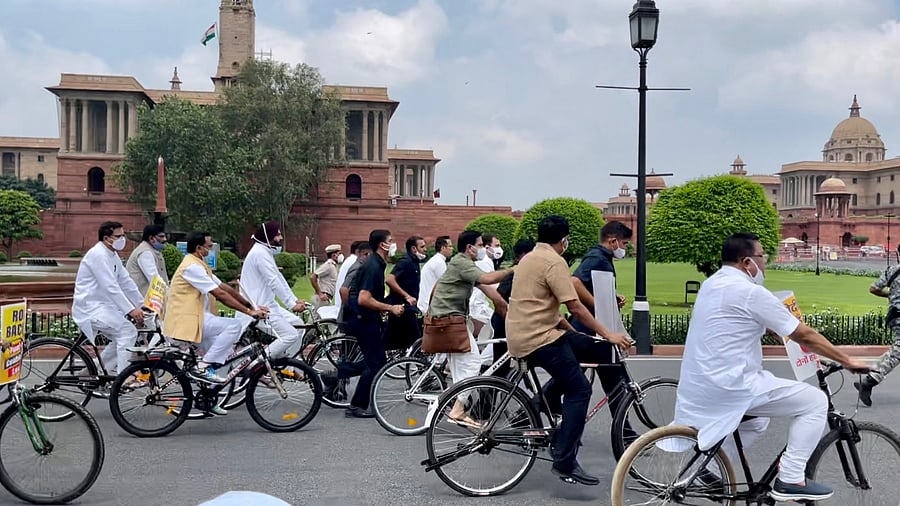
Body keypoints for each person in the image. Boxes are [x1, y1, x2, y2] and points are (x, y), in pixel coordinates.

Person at [674, 233, 869, 502]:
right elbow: (805, 335)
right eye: (761, 257)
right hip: (734, 384)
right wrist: (847, 360)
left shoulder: (712, 284)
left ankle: (708, 469)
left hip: (703, 384)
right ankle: (791, 478)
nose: (764, 263)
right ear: (746, 262)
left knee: (758, 420)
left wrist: (771, 329)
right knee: (814, 401)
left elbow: (735, 322)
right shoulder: (751, 292)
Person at [506, 215, 631, 486]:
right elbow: (574, 306)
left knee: (593, 350)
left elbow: (547, 307)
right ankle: (564, 459)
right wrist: (609, 334)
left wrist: (584, 337)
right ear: (563, 240)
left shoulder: (529, 258)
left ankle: (545, 404)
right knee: (579, 390)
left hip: (530, 332)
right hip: (539, 338)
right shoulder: (554, 262)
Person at [165, 232, 268, 391]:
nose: (211, 248)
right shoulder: (192, 267)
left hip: (198, 318)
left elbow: (224, 288)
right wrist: (249, 312)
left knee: (224, 357)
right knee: (233, 326)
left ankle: (209, 398)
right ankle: (202, 367)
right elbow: (219, 295)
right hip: (188, 320)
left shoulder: (199, 264)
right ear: (199, 248)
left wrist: (252, 306)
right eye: (209, 246)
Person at [429, 231, 513, 424]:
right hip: (451, 321)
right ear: (469, 247)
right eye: (481, 245)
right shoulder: (462, 263)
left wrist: (502, 306)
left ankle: (448, 406)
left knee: (461, 371)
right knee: (474, 363)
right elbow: (488, 279)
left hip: (451, 319)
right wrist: (513, 269)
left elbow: (488, 290)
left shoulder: (462, 265)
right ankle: (457, 411)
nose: (483, 249)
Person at [343, 230, 404, 418]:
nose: (393, 244)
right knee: (375, 362)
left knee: (376, 360)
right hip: (364, 319)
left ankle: (337, 373)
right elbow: (364, 298)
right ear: (382, 245)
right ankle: (356, 405)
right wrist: (390, 308)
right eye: (390, 241)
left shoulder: (377, 263)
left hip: (367, 319)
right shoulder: (373, 265)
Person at [72, 221, 145, 375]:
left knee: (123, 335)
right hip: (91, 307)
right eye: (118, 236)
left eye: (123, 235)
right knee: (127, 332)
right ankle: (123, 377)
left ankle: (97, 371)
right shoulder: (98, 254)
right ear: (107, 238)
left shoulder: (112, 255)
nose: (122, 239)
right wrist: (131, 310)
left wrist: (143, 305)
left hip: (104, 306)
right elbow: (110, 286)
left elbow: (126, 282)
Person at [238, 222, 306, 359]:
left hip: (269, 304)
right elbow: (273, 281)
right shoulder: (260, 254)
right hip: (259, 307)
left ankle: (287, 367)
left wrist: (294, 300)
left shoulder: (264, 252)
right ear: (268, 237)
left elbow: (279, 278)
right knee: (290, 335)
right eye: (278, 235)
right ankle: (258, 365)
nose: (280, 238)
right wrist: (291, 305)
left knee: (299, 325)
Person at [854, 245, 900, 406]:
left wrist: (891, 294)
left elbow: (874, 288)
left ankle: (870, 378)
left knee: (897, 351)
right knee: (897, 352)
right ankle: (870, 380)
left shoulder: (892, 271)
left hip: (895, 315)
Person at [488, 238, 535, 378]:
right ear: (523, 255)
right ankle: (492, 388)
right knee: (500, 362)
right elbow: (500, 295)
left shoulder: (525, 271)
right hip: (503, 320)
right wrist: (509, 314)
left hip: (511, 320)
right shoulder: (515, 272)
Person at [385, 236, 426, 350]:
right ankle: (418, 363)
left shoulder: (414, 262)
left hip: (406, 307)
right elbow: (389, 279)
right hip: (402, 306)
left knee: (395, 339)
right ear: (413, 248)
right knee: (415, 338)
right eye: (422, 246)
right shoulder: (406, 262)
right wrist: (407, 296)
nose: (425, 249)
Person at [468, 233, 501, 337]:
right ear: (487, 247)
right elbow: (490, 284)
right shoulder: (484, 261)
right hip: (477, 305)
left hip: (478, 303)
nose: (499, 249)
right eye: (496, 246)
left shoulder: (487, 261)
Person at [125, 224, 169, 297]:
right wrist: (169, 294)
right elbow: (154, 278)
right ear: (151, 238)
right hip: (142, 300)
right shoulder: (145, 252)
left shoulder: (151, 250)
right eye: (161, 236)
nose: (165, 239)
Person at [417, 236, 452, 314]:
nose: (452, 249)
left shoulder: (437, 260)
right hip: (429, 305)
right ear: (443, 248)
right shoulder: (439, 262)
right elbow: (446, 285)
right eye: (450, 246)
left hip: (427, 304)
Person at [334, 241, 362, 312]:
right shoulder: (355, 262)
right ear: (357, 251)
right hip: (345, 300)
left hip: (340, 299)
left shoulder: (349, 260)